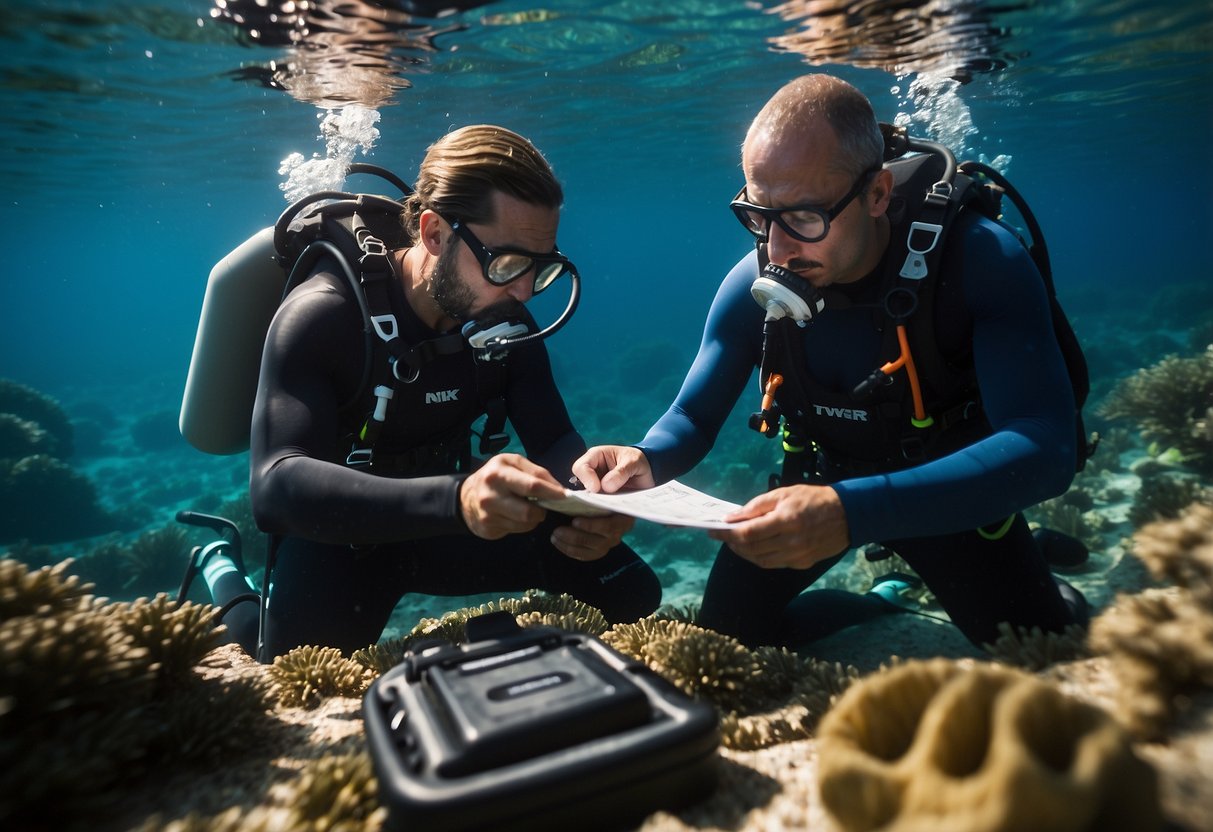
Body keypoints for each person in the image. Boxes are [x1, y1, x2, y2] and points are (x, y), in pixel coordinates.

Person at [573, 74, 1087, 650]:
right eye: (759, 214)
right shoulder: (752, 283)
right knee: (730, 641)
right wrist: (643, 458)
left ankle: (1039, 567)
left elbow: (1047, 445)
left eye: (805, 217)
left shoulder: (981, 260)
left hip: (955, 502)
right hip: (815, 489)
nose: (776, 248)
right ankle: (880, 601)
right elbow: (691, 418)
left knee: (1045, 645)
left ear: (877, 194)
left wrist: (852, 511)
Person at [192, 124, 660, 661]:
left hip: (454, 523)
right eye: (506, 264)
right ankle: (220, 564)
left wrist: (588, 493)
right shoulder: (322, 314)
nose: (525, 291)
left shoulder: (502, 318)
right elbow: (275, 486)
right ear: (435, 234)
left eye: (541, 266)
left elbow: (553, 437)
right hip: (346, 537)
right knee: (273, 662)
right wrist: (457, 499)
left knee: (632, 591)